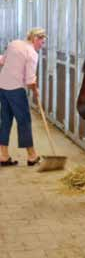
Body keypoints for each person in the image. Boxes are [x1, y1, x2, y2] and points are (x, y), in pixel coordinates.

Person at [0, 28, 47, 166]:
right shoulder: (32, 53)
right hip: (16, 90)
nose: (42, 45)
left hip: (2, 87)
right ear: (35, 39)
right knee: (24, 122)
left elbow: (2, 60)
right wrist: (35, 90)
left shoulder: (14, 43)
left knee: (5, 121)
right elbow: (29, 80)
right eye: (42, 42)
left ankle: (3, 155)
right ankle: (32, 156)